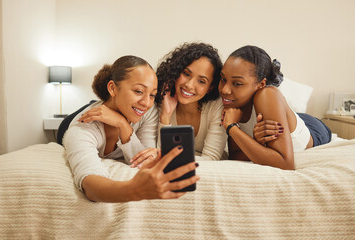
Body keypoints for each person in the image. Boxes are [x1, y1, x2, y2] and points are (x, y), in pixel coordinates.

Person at [63, 55, 200, 202]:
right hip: (72, 122)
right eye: (139, 91)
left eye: (152, 94)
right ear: (112, 88)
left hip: (114, 106)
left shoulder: (148, 112)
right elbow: (90, 186)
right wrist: (133, 190)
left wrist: (123, 125)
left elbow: (144, 159)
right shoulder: (82, 129)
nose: (146, 103)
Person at [219, 45, 331, 170]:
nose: (224, 90)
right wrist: (256, 143)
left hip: (314, 129)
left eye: (237, 83)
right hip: (290, 118)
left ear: (261, 84)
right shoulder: (232, 105)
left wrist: (232, 128)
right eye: (223, 79)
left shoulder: (266, 94)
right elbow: (236, 156)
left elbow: (285, 164)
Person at [131, 42, 227, 165]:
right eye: (186, 74)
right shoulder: (160, 101)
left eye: (201, 81)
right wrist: (165, 115)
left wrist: (165, 155)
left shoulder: (216, 106)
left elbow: (210, 159)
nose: (189, 85)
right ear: (176, 71)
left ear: (210, 87)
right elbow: (158, 153)